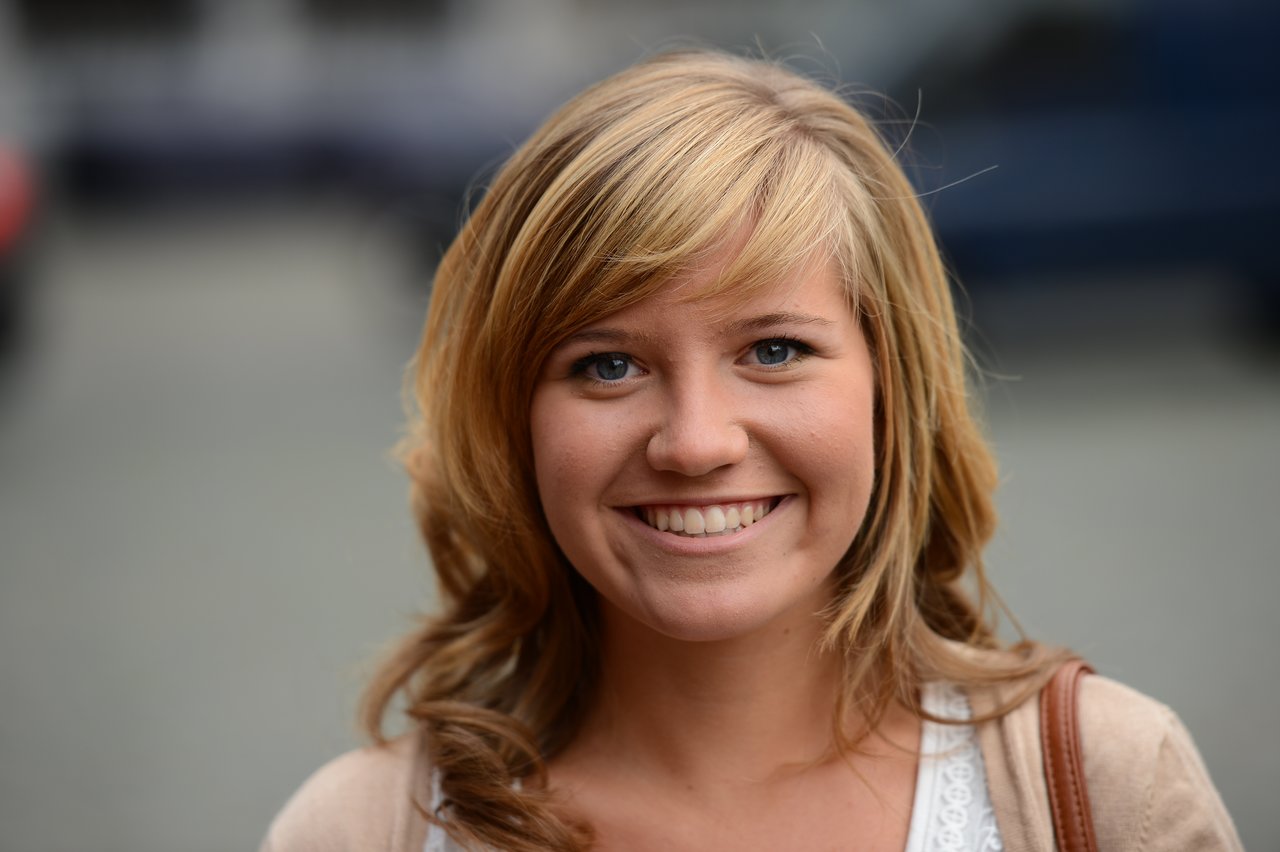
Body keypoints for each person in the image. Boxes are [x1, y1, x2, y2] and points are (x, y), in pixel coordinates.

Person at [261, 49, 1240, 851]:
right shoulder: (359, 831)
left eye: (773, 350)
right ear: (509, 422)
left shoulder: (1108, 787)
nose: (694, 443)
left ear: (889, 393)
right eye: (605, 366)